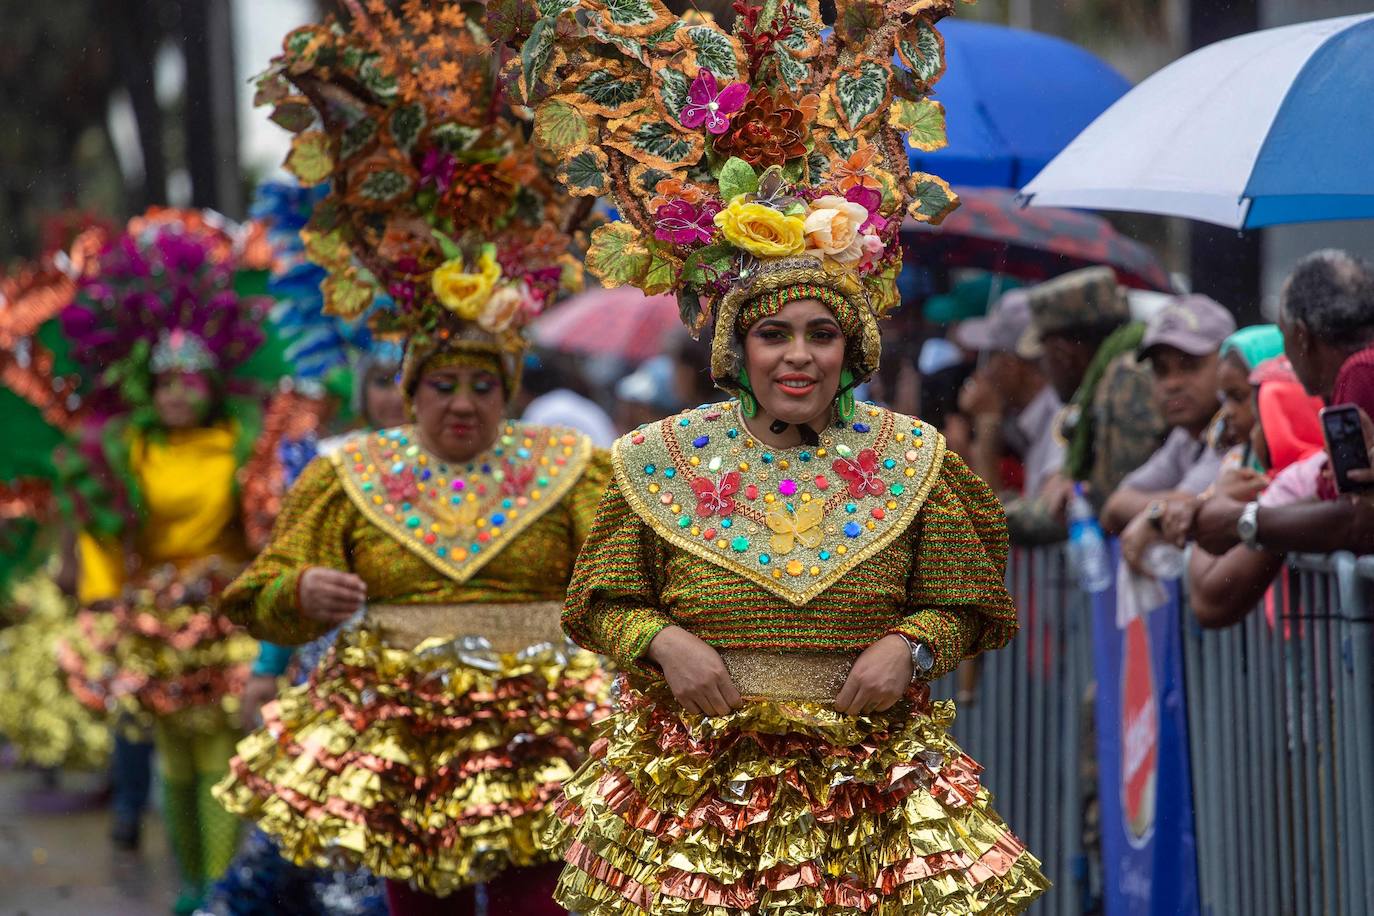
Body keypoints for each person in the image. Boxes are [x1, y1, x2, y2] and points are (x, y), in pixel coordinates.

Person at [513, 0, 1049, 910]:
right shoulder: (655, 459)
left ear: (853, 349)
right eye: (773, 335)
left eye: (819, 334)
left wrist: (908, 650)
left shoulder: (913, 458)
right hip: (695, 786)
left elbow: (969, 603)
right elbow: (599, 599)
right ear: (736, 351)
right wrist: (666, 642)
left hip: (868, 783)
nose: (798, 355)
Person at [212, 6, 609, 914]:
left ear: (508, 391)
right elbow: (255, 594)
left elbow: (628, 584)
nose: (462, 404)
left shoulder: (571, 468)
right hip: (397, 735)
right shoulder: (347, 473)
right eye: (441, 385)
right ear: (408, 390)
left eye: (482, 385)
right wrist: (301, 595)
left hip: (547, 732)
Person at [54, 210, 269, 914]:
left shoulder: (242, 446)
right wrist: (102, 602)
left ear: (212, 384)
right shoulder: (124, 448)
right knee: (171, 759)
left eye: (191, 379)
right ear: (151, 384)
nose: (178, 391)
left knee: (217, 754)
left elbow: (267, 529)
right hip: (150, 621)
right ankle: (191, 886)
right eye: (166, 379)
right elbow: (100, 527)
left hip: (221, 617)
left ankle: (218, 883)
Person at [1195, 251, 1374, 557]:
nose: (1284, 354)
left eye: (1283, 333)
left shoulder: (1359, 373)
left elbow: (1357, 518)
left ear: (1302, 337)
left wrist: (1241, 521)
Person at [1006, 267, 1166, 544]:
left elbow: (1106, 506)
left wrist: (983, 518)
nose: (1044, 368)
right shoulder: (1111, 377)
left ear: (1063, 354)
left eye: (1043, 356)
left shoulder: (1127, 380)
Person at [1101, 295, 1236, 572]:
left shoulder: (1232, 430)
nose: (1172, 383)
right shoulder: (1184, 436)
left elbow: (1185, 505)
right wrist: (1161, 510)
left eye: (1189, 365)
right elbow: (1115, 505)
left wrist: (1156, 514)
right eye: (1161, 370)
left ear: (1227, 362)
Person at [1189, 356, 1326, 627]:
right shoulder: (1322, 474)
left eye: (1261, 421)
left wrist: (1219, 499)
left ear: (1283, 421)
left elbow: (1210, 600)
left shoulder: (1293, 485)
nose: (1254, 435)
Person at [955, 289, 1064, 500]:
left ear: (1010, 366)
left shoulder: (1058, 424)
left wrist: (987, 424)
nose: (981, 373)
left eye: (988, 359)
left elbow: (994, 527)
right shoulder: (1034, 418)